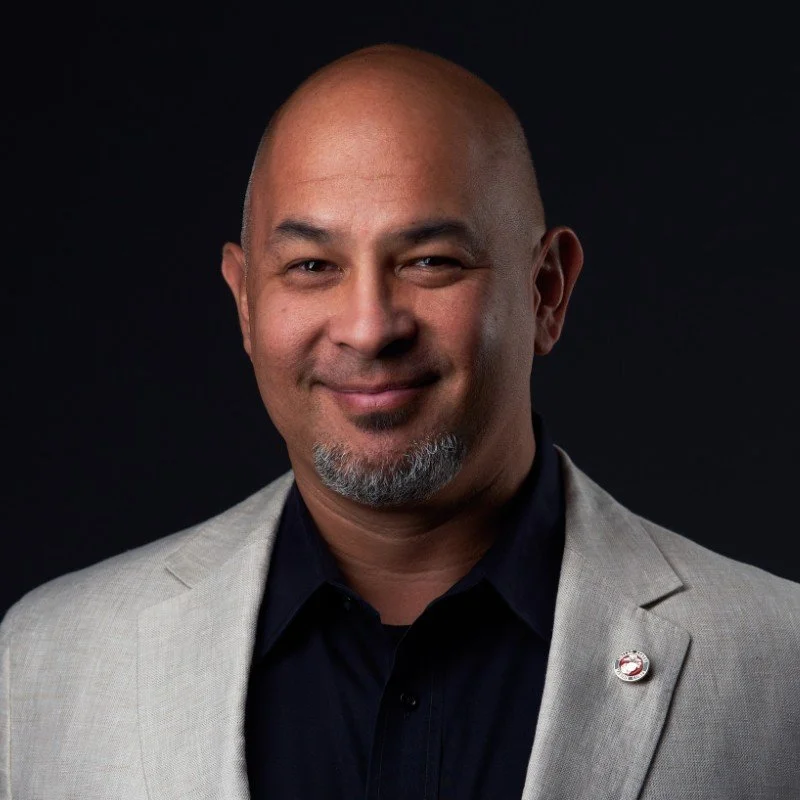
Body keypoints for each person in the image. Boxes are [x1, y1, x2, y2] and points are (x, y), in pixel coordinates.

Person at [1, 43, 798, 800]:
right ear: (245, 302)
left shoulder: (776, 662)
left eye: (430, 262)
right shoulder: (48, 663)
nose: (369, 326)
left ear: (547, 290)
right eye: (312, 266)